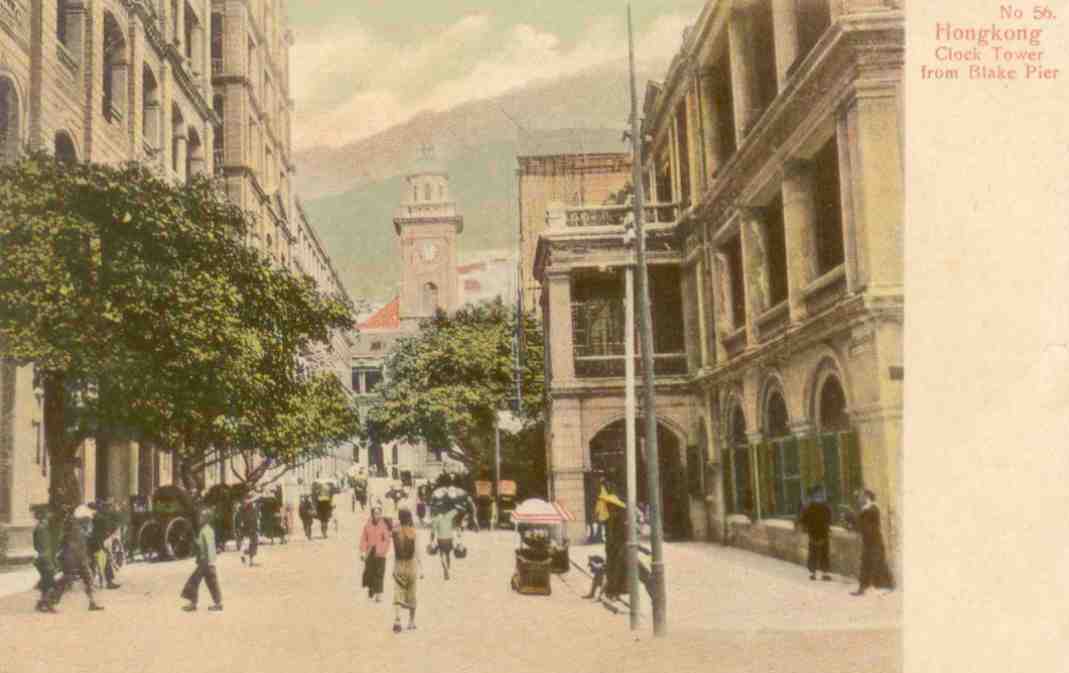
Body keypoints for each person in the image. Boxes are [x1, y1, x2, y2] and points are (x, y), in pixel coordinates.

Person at [47, 505, 103, 612]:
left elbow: (83, 543)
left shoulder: (82, 528)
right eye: (87, 519)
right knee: (67, 578)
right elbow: (68, 543)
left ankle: (92, 602)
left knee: (88, 578)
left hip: (80, 557)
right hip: (70, 557)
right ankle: (51, 600)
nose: (89, 522)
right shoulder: (72, 526)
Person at [852, 489, 895, 596]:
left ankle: (886, 585)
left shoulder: (873, 509)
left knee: (878, 563)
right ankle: (863, 587)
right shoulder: (866, 509)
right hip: (868, 541)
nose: (859, 499)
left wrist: (855, 517)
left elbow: (865, 523)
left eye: (861, 497)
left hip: (875, 541)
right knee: (865, 563)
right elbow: (860, 525)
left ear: (867, 497)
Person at [181, 507, 223, 612]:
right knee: (211, 583)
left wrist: (208, 560)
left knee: (194, 581)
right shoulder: (207, 530)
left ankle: (193, 604)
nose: (200, 518)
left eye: (202, 517)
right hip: (207, 562)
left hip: (206, 562)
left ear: (206, 518)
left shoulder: (206, 531)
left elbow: (208, 546)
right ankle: (218, 603)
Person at [390, 508, 422, 633]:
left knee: (398, 592)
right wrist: (421, 568)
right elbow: (417, 551)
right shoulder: (413, 532)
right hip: (411, 566)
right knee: (412, 593)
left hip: (398, 565)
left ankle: (397, 619)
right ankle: (411, 621)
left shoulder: (395, 531)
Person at [798, 485, 833, 581]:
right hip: (819, 532)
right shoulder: (823, 506)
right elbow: (829, 518)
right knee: (820, 553)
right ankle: (820, 573)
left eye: (820, 494)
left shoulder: (810, 507)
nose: (820, 496)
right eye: (819, 494)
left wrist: (806, 527)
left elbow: (802, 519)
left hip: (817, 532)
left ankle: (816, 573)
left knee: (816, 553)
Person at [599, 482, 628, 600]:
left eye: (609, 505)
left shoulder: (619, 518)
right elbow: (608, 533)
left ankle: (615, 592)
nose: (607, 506)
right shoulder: (609, 518)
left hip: (618, 548)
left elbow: (623, 534)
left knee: (617, 570)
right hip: (611, 547)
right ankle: (611, 591)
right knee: (611, 569)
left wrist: (618, 546)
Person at [360, 506, 392, 602]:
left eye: (379, 513)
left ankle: (378, 595)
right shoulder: (367, 525)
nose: (377, 515)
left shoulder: (383, 526)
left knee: (379, 573)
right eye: (375, 513)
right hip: (370, 552)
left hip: (380, 553)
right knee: (369, 572)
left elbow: (387, 540)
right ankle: (371, 588)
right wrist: (362, 551)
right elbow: (363, 539)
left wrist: (382, 550)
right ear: (372, 514)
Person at [31, 506, 57, 612]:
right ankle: (47, 604)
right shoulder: (43, 528)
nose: (50, 515)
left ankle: (42, 603)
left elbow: (36, 545)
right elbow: (44, 545)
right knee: (50, 582)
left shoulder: (40, 527)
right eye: (48, 513)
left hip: (42, 557)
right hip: (45, 558)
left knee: (47, 582)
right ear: (44, 515)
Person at [429, 506, 456, 580]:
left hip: (441, 539)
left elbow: (433, 532)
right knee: (448, 554)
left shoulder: (436, 519)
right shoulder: (450, 517)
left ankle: (445, 569)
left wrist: (431, 541)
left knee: (441, 555)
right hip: (449, 538)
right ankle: (448, 569)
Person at [238, 495, 259, 566]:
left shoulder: (252, 509)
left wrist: (256, 528)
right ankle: (242, 556)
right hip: (245, 530)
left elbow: (255, 518)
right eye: (246, 500)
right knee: (245, 545)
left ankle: (251, 560)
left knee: (253, 546)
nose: (248, 501)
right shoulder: (241, 509)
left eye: (248, 500)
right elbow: (239, 521)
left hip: (252, 530)